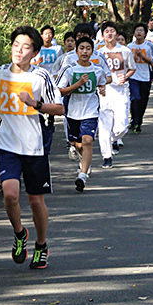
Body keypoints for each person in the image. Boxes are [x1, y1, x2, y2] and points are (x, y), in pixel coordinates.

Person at [0, 26, 63, 270]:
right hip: (7, 143)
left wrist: (35, 103)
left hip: (34, 146)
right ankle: (19, 234)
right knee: (10, 195)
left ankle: (41, 245)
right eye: (16, 44)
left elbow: (59, 108)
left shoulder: (41, 77)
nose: (19, 50)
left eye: (26, 47)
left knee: (36, 202)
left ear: (35, 52)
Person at [56, 37, 108, 192]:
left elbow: (102, 82)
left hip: (91, 111)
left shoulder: (97, 69)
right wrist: (77, 84)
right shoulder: (69, 69)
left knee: (87, 140)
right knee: (77, 144)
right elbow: (59, 90)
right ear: (76, 51)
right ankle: (85, 159)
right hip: (72, 112)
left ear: (92, 51)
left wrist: (102, 88)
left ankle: (82, 175)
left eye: (88, 48)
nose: (85, 52)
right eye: (82, 48)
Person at [98, 21, 136, 167]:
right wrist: (99, 85)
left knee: (122, 126)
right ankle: (106, 156)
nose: (109, 33)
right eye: (106, 31)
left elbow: (132, 68)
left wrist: (125, 76)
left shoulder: (125, 51)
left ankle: (113, 139)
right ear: (102, 35)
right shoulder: (98, 52)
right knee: (104, 125)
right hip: (105, 92)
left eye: (112, 30)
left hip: (121, 91)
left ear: (117, 34)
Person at [127, 23, 153, 133]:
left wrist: (142, 56)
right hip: (133, 76)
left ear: (145, 34)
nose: (139, 32)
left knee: (143, 100)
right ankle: (134, 119)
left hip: (145, 76)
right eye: (137, 30)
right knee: (135, 97)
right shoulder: (129, 47)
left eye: (141, 30)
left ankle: (139, 121)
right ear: (134, 33)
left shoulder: (149, 46)